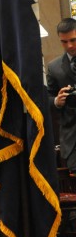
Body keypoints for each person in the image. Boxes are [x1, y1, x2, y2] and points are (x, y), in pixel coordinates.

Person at [47, 17, 76, 171]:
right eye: (64, 42)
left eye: (73, 40)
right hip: (73, 137)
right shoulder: (54, 67)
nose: (69, 45)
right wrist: (57, 101)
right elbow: (48, 98)